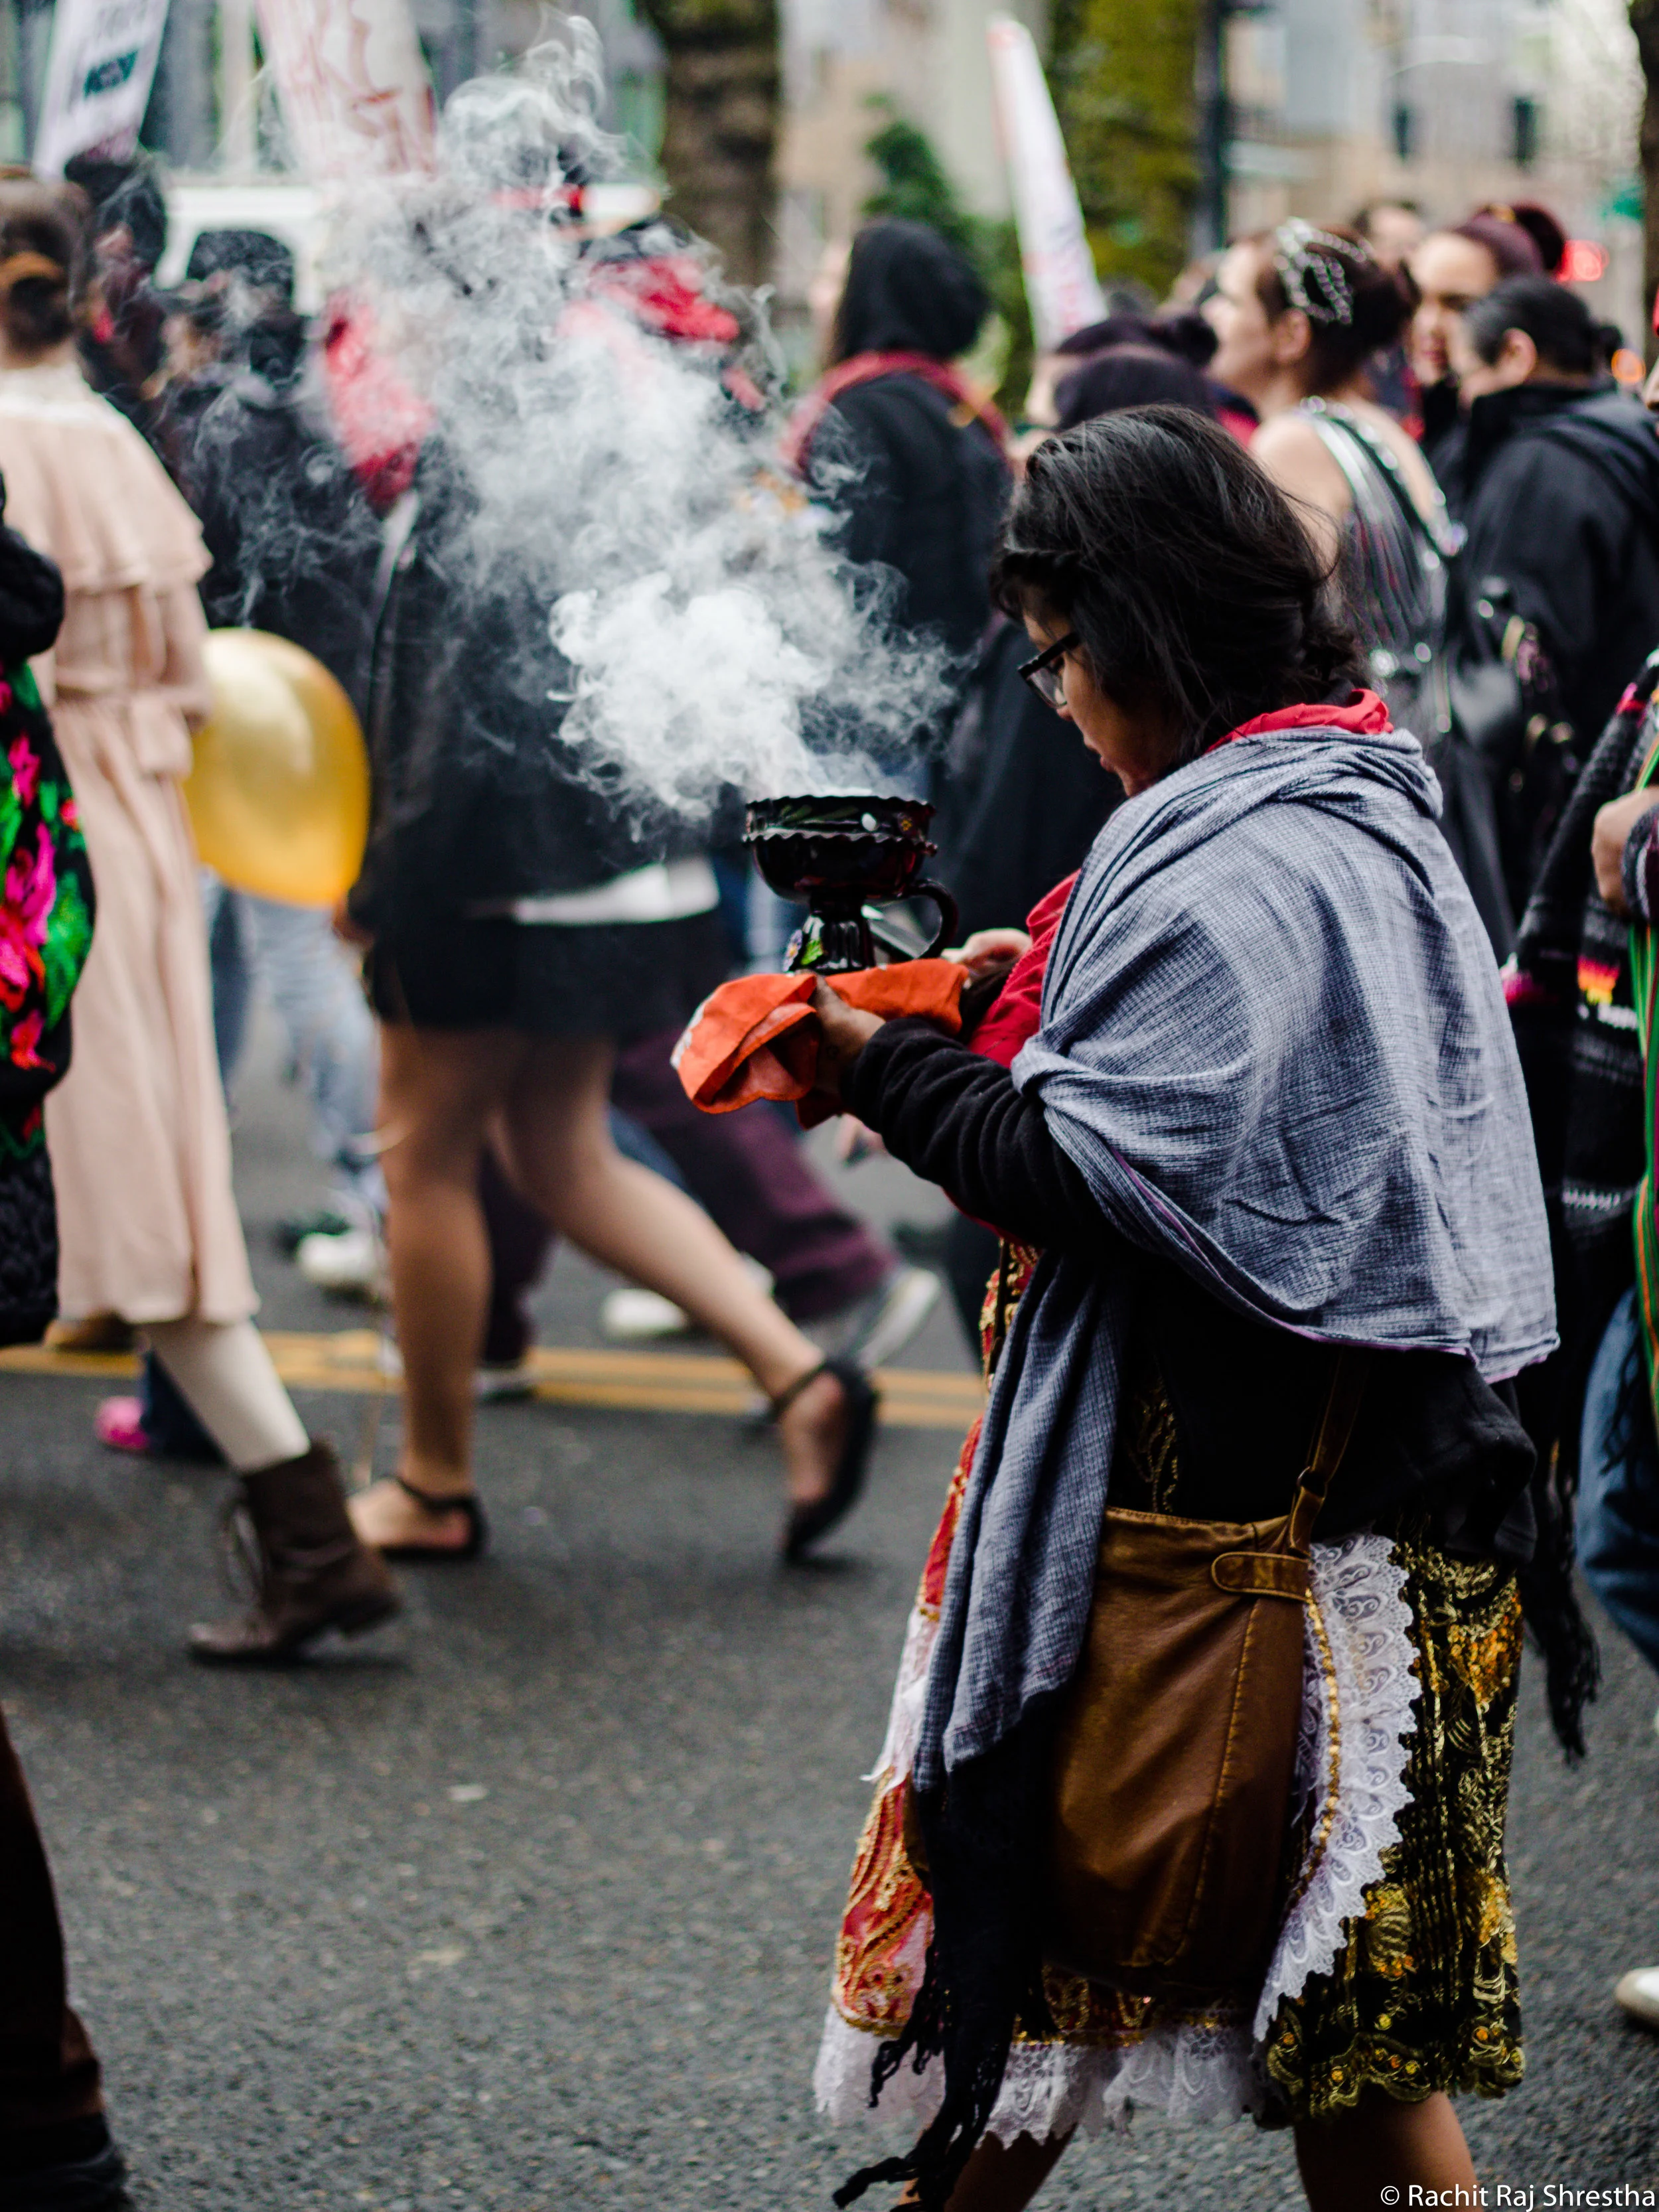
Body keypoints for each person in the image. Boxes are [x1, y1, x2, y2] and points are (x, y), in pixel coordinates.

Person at [806, 409, 1553, 2210]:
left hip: (1230, 1550)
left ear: (1141, 629)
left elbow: (1088, 1171)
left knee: (1060, 1970)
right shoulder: (1331, 774)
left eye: (1061, 652)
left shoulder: (1237, 854)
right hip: (1376, 1512)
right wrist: (1017, 985)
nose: (1054, 695)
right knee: (1349, 2064)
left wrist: (871, 1061)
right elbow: (1198, 1101)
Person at [339, 190, 879, 1571]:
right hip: (614, 859)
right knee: (558, 1147)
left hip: (487, 871)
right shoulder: (605, 415)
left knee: (425, 1156)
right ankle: (797, 1373)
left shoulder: (484, 442)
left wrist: (386, 880)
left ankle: (433, 1480)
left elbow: (452, 714)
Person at [0, 179, 397, 1662]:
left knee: (65, 1178)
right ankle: (313, 1540)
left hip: (27, 842)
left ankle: (316, 1546)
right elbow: (183, 671)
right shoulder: (106, 433)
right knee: (156, 1206)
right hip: (135, 835)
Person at [1201, 222, 1513, 950]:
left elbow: (1278, 634)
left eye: (1230, 298)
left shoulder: (1293, 443)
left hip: (1351, 768)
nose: (1212, 315)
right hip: (1418, 748)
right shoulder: (1381, 429)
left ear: (1289, 334)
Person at [1447, 275, 1659, 910]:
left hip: (1580, 831)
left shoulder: (1540, 466)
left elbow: (1519, 676)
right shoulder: (1617, 439)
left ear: (1514, 356)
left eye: (1466, 375)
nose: (1652, 394)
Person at [786, 220, 1012, 692]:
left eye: (832, 280)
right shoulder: (951, 403)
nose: (817, 297)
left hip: (883, 698)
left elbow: (846, 576)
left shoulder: (863, 412)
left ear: (870, 295)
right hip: (956, 685)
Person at [1408, 204, 1562, 508]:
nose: (1428, 324)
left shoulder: (1534, 455)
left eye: (1458, 305)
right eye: (1417, 299)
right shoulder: (1445, 421)